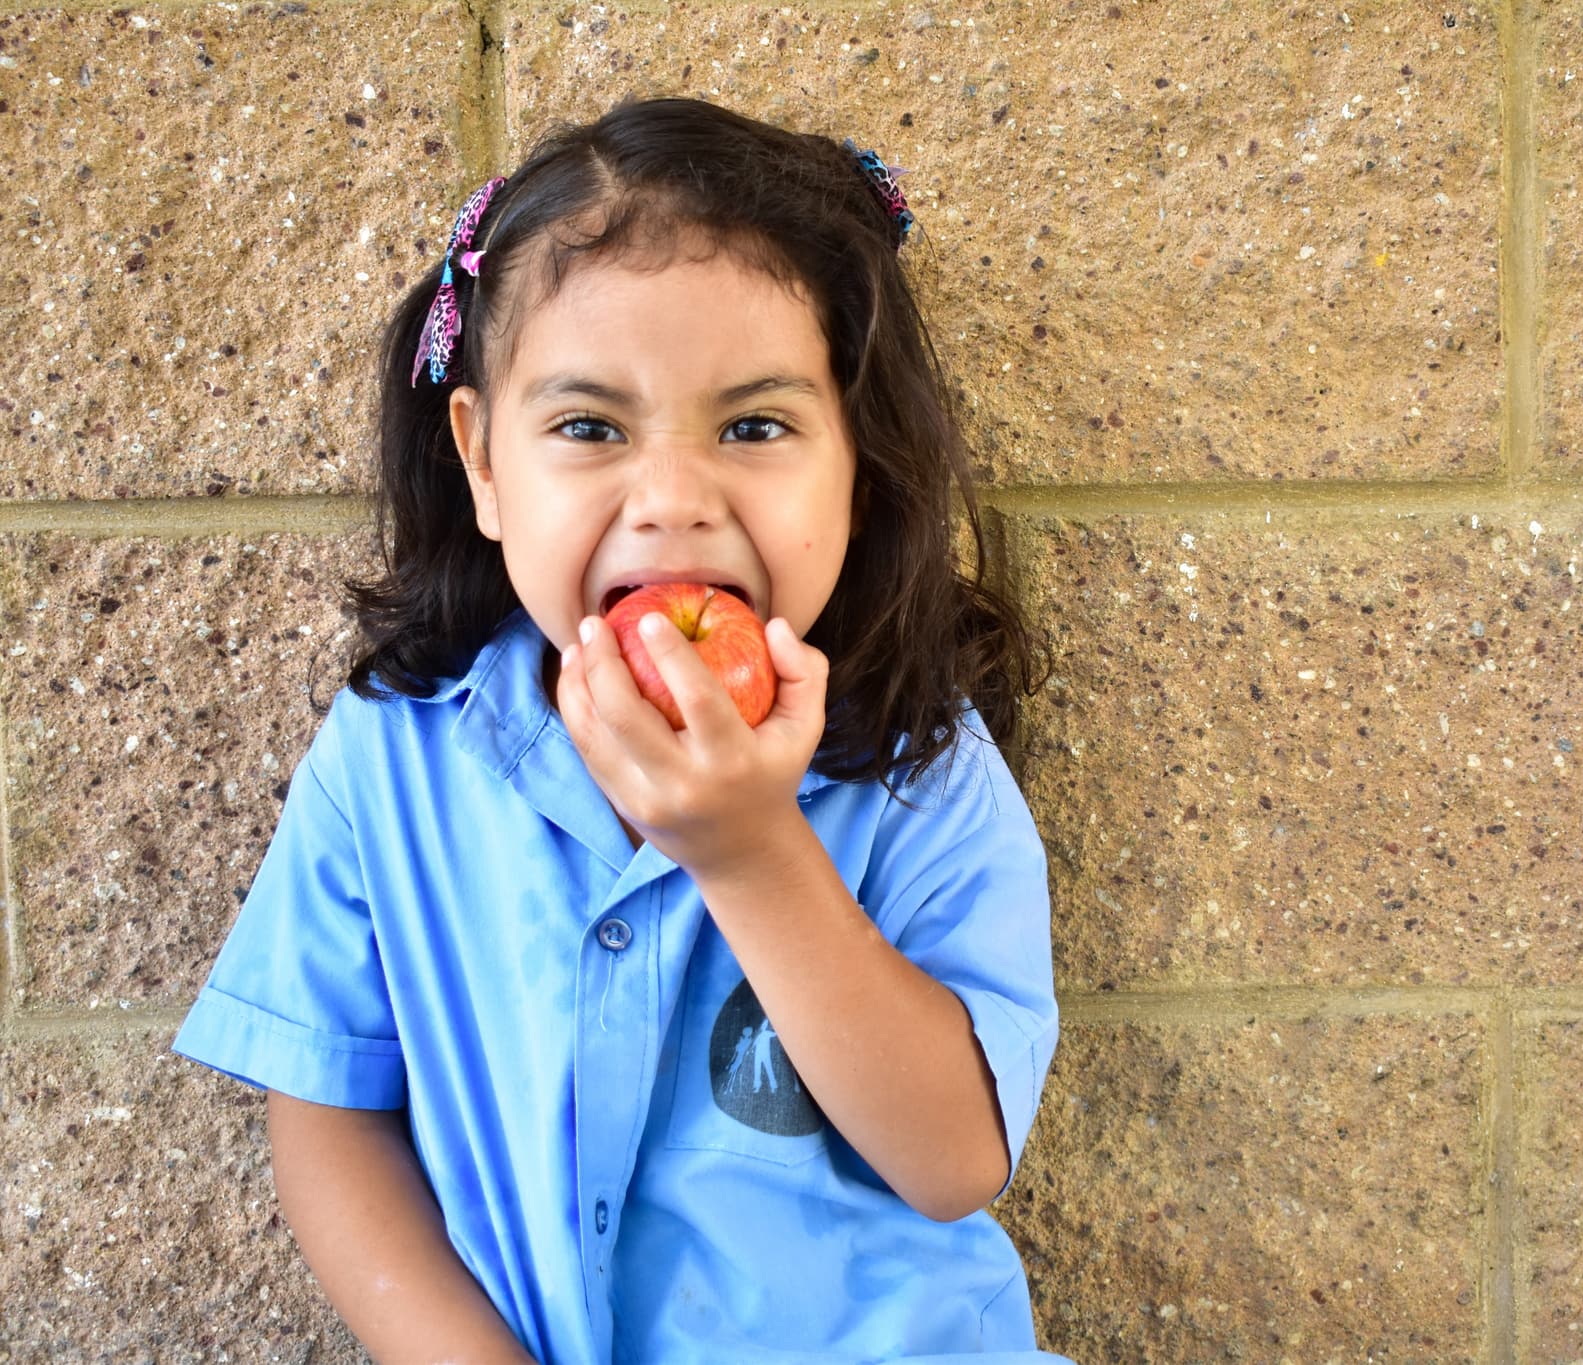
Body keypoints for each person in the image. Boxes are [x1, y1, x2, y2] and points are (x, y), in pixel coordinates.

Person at [172, 96, 1063, 1364]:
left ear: (855, 466)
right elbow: (329, 1110)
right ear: (483, 464)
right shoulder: (395, 757)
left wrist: (751, 851)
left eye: (754, 427)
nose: (673, 502)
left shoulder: (918, 759)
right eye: (589, 428)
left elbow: (953, 1163)